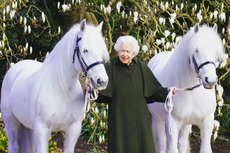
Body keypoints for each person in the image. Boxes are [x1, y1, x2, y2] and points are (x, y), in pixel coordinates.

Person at [85, 35, 177, 153]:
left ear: (133, 53)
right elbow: (102, 94)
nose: (125, 54)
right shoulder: (110, 67)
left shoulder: (141, 67)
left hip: (140, 120)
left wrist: (167, 91)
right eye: (122, 51)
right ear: (118, 50)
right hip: (119, 119)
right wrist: (91, 90)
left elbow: (153, 92)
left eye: (128, 51)